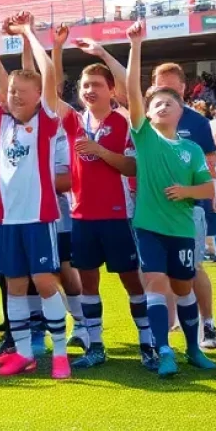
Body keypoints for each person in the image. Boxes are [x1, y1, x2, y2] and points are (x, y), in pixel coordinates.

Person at [0, 16, 71, 379]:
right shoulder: (0, 121)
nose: (13, 97)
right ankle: (23, 352)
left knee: (44, 282)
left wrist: (28, 34)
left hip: (38, 218)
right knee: (14, 285)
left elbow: (49, 76)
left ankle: (60, 352)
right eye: (10, 93)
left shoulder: (45, 121)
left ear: (37, 97)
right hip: (6, 220)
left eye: (21, 94)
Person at [125, 23, 216, 378]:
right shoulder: (145, 137)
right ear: (147, 114)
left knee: (183, 287)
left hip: (180, 227)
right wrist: (136, 45)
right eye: (156, 103)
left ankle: (193, 347)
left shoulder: (191, 149)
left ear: (182, 112)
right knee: (157, 283)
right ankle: (164, 350)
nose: (162, 106)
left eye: (169, 103)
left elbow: (208, 191)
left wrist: (186, 192)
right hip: (149, 226)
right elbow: (133, 90)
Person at [60, 39, 153, 369]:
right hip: (82, 215)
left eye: (97, 85)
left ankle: (147, 344)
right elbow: (46, 93)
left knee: (131, 280)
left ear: (111, 89)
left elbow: (132, 167)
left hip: (117, 214)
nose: (89, 90)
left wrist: (101, 152)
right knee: (88, 283)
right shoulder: (73, 121)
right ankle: (95, 344)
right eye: (85, 85)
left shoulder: (125, 121)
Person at [150, 63, 216, 350]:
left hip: (189, 209)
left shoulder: (197, 122)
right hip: (154, 210)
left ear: (182, 88)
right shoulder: (146, 121)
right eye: (159, 84)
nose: (164, 90)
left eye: (170, 86)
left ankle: (209, 324)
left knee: (193, 268)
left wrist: (187, 185)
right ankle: (166, 335)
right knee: (161, 271)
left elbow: (213, 166)